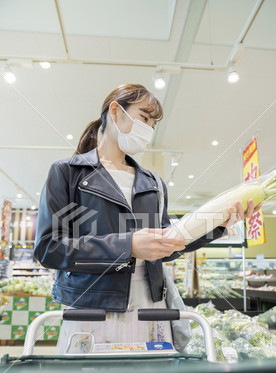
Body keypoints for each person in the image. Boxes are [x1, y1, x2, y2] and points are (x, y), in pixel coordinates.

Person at [34, 83, 260, 352]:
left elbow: (167, 245)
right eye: (144, 118)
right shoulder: (68, 174)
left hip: (152, 307)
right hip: (92, 306)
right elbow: (49, 248)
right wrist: (127, 246)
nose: (149, 129)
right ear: (116, 111)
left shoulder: (153, 183)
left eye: (154, 124)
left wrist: (217, 226)